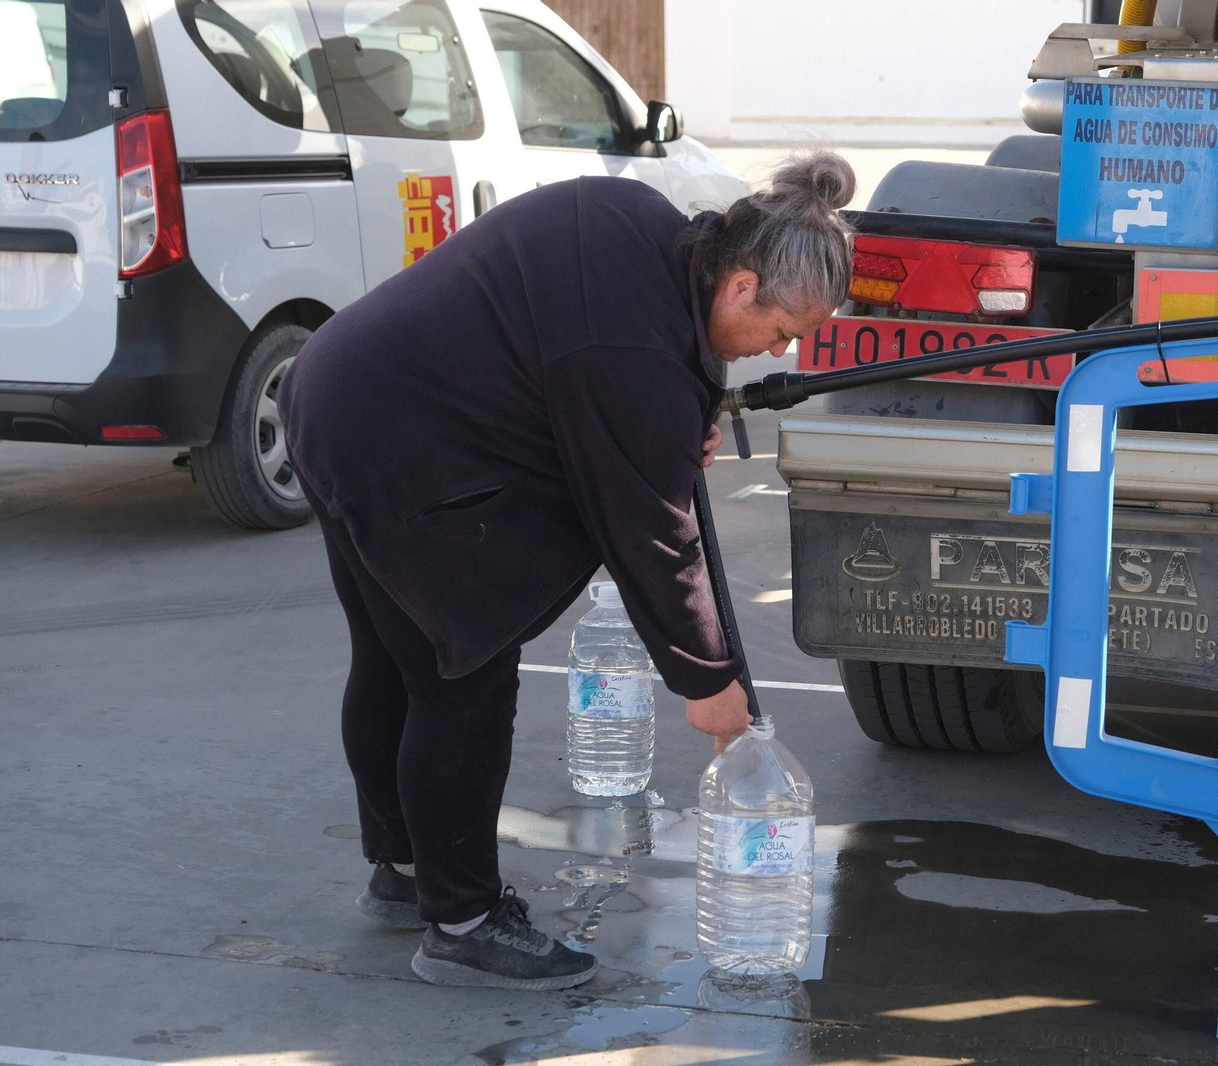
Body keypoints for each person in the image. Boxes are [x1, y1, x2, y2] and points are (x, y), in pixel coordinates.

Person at [277, 152, 855, 991]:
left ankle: (406, 872)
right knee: (462, 674)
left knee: (397, 659)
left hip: (338, 391)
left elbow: (605, 369)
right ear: (739, 287)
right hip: (400, 442)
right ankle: (463, 923)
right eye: (784, 331)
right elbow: (653, 534)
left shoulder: (644, 226)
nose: (778, 351)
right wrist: (708, 678)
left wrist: (671, 417)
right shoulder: (633, 352)